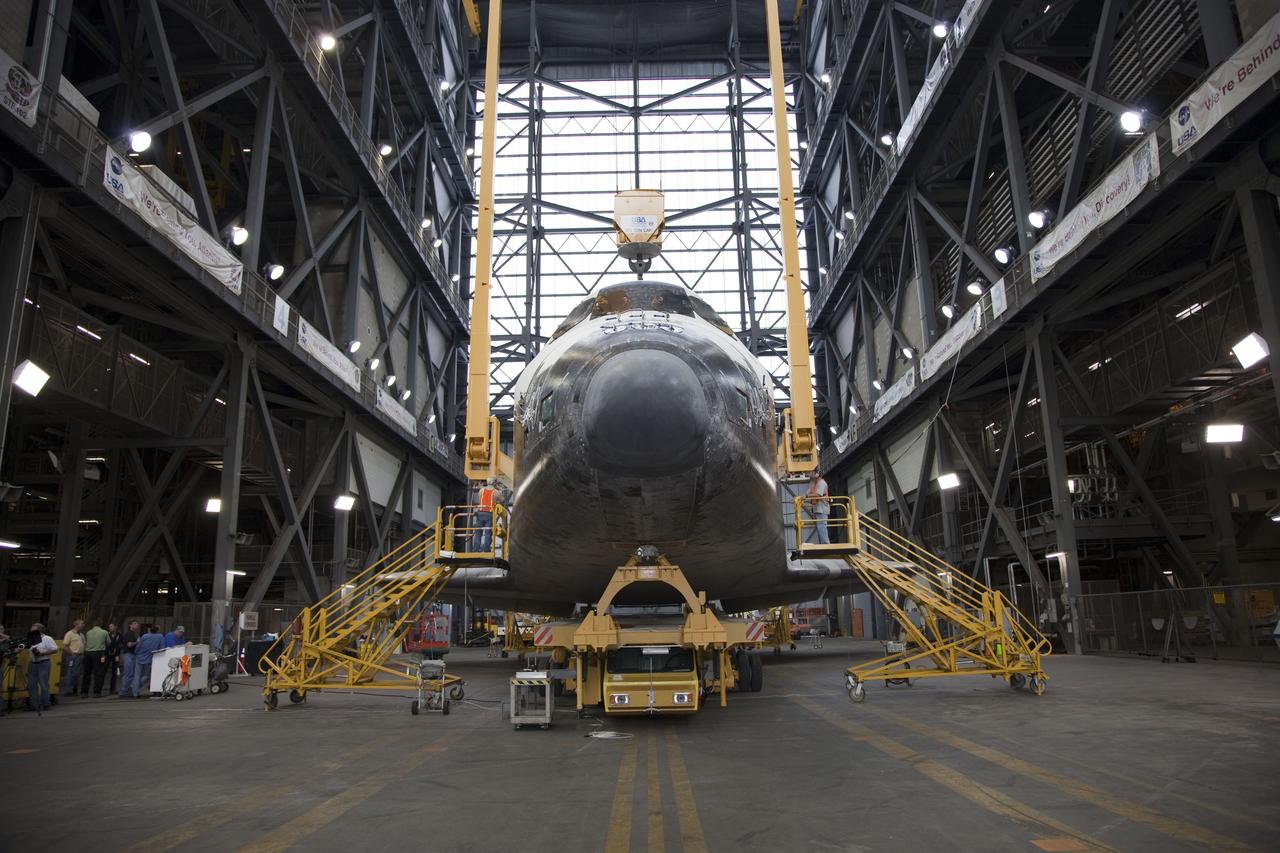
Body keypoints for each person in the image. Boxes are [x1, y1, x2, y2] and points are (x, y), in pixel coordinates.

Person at [26, 623, 57, 711]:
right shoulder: (30, 639)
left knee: (43, 684)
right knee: (32, 685)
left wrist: (42, 653)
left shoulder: (47, 638)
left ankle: (46, 704)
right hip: (32, 663)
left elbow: (55, 649)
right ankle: (35, 704)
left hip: (43, 662)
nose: (31, 631)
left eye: (33, 629)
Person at [134, 625, 165, 698]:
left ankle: (135, 692)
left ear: (149, 630)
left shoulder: (144, 636)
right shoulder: (160, 637)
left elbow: (139, 646)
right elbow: (162, 648)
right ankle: (136, 687)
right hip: (149, 658)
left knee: (137, 675)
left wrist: (136, 652)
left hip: (139, 657)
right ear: (157, 630)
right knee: (146, 675)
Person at [81, 620, 110, 697]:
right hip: (99, 653)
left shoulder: (88, 632)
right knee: (99, 673)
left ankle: (84, 692)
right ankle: (97, 692)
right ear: (101, 625)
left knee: (87, 673)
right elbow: (108, 642)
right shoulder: (104, 632)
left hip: (88, 653)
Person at [60, 619, 86, 697]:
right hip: (73, 656)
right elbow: (65, 646)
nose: (83, 625)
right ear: (76, 625)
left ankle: (74, 689)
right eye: (82, 623)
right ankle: (69, 690)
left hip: (80, 656)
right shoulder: (70, 634)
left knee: (77, 674)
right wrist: (72, 653)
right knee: (71, 673)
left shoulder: (81, 635)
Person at [806, 470, 831, 545]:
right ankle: (824, 543)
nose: (811, 475)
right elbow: (808, 492)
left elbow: (817, 495)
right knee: (820, 527)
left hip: (822, 508)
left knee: (822, 526)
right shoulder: (815, 484)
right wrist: (802, 496)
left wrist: (806, 496)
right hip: (817, 508)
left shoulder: (822, 483)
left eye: (813, 473)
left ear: (817, 475)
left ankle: (826, 544)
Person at [116, 621, 139, 698]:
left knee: (131, 673)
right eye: (135, 623)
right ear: (130, 625)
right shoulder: (129, 633)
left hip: (131, 655)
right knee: (128, 673)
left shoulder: (133, 634)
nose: (137, 625)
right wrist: (137, 642)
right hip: (129, 655)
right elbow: (129, 644)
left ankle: (127, 690)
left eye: (137, 624)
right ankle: (123, 691)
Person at [473, 480, 496, 551]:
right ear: (494, 483)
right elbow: (502, 500)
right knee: (488, 532)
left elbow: (480, 499)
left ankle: (476, 549)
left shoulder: (481, 490)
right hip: (489, 513)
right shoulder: (496, 492)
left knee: (478, 532)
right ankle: (486, 549)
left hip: (480, 513)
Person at [105, 623, 122, 695]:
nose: (110, 628)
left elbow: (122, 644)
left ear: (115, 627)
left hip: (116, 655)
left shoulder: (119, 635)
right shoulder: (106, 635)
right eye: (109, 627)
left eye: (111, 626)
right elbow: (104, 643)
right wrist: (107, 650)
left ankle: (113, 689)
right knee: (103, 671)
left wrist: (117, 649)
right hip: (107, 655)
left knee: (114, 672)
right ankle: (98, 689)